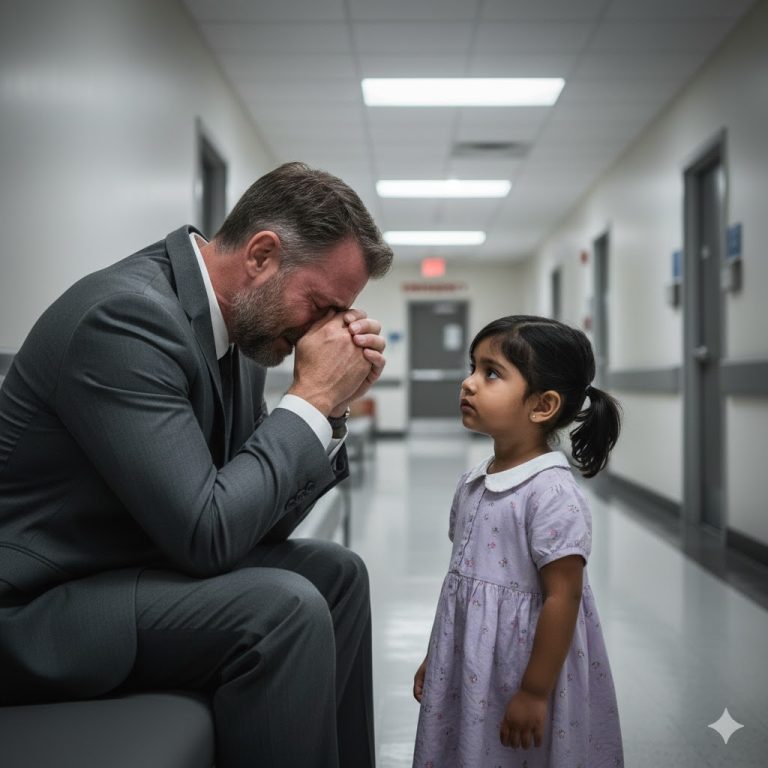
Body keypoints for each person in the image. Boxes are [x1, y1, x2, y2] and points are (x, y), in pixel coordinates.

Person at [0, 162, 393, 768]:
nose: (322, 331)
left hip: (127, 564)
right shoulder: (126, 320)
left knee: (337, 573)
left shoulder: (243, 330)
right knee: (282, 609)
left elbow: (250, 520)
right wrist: (310, 400)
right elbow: (208, 535)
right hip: (36, 612)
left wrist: (329, 411)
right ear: (262, 255)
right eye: (320, 304)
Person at [412, 315, 624, 767]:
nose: (468, 383)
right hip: (470, 660)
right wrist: (438, 656)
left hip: (526, 665)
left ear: (542, 405)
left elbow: (562, 598)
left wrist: (533, 691)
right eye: (472, 367)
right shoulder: (473, 482)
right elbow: (459, 587)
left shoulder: (550, 493)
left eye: (491, 373)